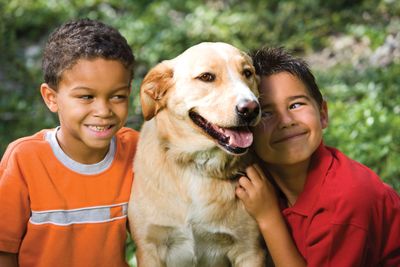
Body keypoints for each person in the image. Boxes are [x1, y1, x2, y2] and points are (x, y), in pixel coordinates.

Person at [235, 47, 400, 267]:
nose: (286, 121)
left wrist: (268, 217)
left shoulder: (344, 200)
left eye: (296, 104)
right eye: (265, 112)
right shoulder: (261, 182)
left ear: (322, 114)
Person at [0, 19, 138, 267]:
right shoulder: (24, 159)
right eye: (86, 96)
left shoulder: (135, 151)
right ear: (51, 98)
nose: (103, 110)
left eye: (118, 96)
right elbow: (4, 252)